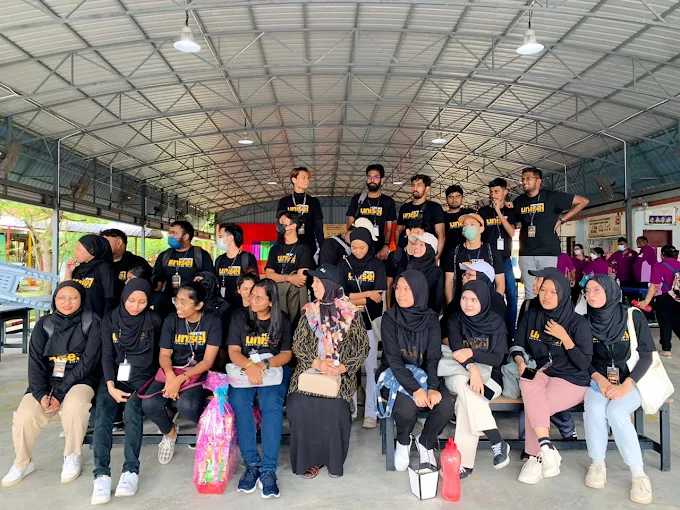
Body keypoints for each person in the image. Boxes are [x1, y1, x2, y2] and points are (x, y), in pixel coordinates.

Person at [2, 282, 101, 488]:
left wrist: (60, 393)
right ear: (54, 300)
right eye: (61, 298)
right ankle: (22, 462)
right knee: (25, 415)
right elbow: (35, 364)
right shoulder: (44, 325)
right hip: (48, 382)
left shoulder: (92, 322)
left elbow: (88, 363)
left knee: (74, 407)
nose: (67, 302)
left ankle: (72, 455)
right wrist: (41, 394)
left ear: (82, 299)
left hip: (80, 380)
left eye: (73, 298)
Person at [511, 268, 593, 484]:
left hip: (571, 378)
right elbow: (517, 344)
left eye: (553, 292)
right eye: (543, 290)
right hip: (540, 371)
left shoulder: (578, 323)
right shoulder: (532, 316)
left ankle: (534, 457)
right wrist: (520, 361)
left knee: (537, 405)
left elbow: (584, 363)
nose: (546, 296)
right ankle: (546, 448)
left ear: (564, 294)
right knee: (527, 378)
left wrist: (564, 337)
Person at [287, 264, 369, 479]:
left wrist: (342, 367)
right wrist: (317, 363)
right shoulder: (309, 312)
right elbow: (298, 345)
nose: (312, 285)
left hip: (339, 375)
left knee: (335, 407)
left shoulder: (351, 313)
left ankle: (332, 460)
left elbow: (362, 348)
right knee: (298, 404)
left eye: (317, 282)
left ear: (331, 285)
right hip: (309, 372)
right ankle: (309, 460)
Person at [583, 275, 655, 505]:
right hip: (598, 381)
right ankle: (597, 464)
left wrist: (626, 385)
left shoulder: (633, 316)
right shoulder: (584, 321)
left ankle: (639, 474)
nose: (590, 295)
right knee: (595, 410)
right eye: (587, 290)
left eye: (596, 290)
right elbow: (583, 359)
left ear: (611, 291)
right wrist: (601, 381)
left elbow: (646, 356)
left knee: (616, 412)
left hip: (631, 381)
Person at [91, 278, 162, 504]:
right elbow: (106, 355)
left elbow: (160, 355)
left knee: (132, 412)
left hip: (143, 376)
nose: (136, 306)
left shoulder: (154, 320)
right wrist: (110, 385)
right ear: (124, 297)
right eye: (131, 300)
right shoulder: (110, 319)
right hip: (114, 377)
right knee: (103, 414)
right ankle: (101, 475)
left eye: (142, 302)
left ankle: (130, 470)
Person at [376, 270, 454, 472]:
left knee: (445, 405)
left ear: (419, 291)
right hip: (395, 375)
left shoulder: (431, 319)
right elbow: (394, 360)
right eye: (398, 288)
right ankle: (403, 441)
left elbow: (433, 357)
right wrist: (415, 389)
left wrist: (432, 387)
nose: (400, 293)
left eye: (407, 289)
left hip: (425, 374)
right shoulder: (390, 318)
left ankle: (425, 441)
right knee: (406, 407)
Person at [140, 281, 221, 465]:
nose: (178, 305)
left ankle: (205, 429)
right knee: (149, 404)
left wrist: (180, 380)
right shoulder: (171, 320)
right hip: (172, 369)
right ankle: (169, 432)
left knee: (188, 405)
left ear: (198, 305)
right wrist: (170, 377)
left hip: (198, 371)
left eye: (184, 302)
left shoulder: (212, 321)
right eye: (176, 300)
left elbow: (207, 361)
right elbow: (164, 355)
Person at [227, 279, 293, 499]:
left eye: (258, 297)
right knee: (239, 402)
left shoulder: (281, 319)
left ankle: (268, 469)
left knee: (271, 405)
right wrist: (250, 367)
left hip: (272, 369)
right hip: (245, 369)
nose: (252, 300)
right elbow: (234, 350)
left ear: (271, 301)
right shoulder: (240, 316)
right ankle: (251, 464)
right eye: (251, 295)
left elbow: (286, 354)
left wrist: (263, 365)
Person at [443, 280, 510, 478]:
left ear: (483, 300)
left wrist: (472, 352)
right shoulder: (455, 320)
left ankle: (464, 464)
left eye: (474, 300)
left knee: (467, 401)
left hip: (491, 377)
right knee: (467, 387)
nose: (468, 303)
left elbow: (497, 358)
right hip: (458, 373)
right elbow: (457, 351)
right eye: (464, 298)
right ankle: (496, 439)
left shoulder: (496, 322)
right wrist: (472, 369)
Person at [513, 168, 589, 300]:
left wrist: (562, 220)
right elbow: (512, 221)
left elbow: (583, 201)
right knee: (530, 292)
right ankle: (531, 314)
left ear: (538, 182)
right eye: (523, 179)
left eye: (528, 179)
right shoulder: (519, 201)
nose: (524, 182)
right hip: (526, 252)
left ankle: (548, 313)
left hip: (548, 252)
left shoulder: (551, 196)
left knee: (548, 290)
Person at [340, 227, 387, 429]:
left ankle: (371, 413)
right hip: (348, 324)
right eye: (354, 247)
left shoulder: (377, 265)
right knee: (349, 367)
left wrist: (355, 298)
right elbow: (340, 296)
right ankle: (350, 410)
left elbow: (379, 295)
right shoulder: (344, 264)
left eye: (362, 247)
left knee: (370, 367)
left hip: (369, 323)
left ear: (369, 245)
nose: (358, 251)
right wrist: (367, 295)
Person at [479, 178, 518, 334]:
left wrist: (499, 212)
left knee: (512, 296)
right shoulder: (483, 212)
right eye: (491, 192)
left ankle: (511, 332)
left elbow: (511, 232)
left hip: (505, 259)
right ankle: (491, 329)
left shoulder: (510, 211)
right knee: (489, 295)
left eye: (497, 191)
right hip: (487, 260)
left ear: (505, 192)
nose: (493, 195)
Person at [444, 213, 505, 307]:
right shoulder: (454, 252)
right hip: (462, 304)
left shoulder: (492, 252)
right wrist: (450, 307)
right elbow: (449, 283)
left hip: (486, 304)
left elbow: (500, 283)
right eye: (465, 225)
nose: (468, 227)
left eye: (472, 224)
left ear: (481, 229)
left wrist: (495, 305)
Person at [265, 211, 312, 320]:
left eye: (283, 222)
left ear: (293, 226)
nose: (279, 225)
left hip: (294, 300)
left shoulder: (303, 249)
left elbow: (300, 279)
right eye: (279, 222)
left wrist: (278, 278)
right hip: (276, 298)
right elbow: (268, 275)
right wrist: (289, 278)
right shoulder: (275, 249)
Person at [346, 163, 398, 261]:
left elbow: (389, 229)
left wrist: (386, 246)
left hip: (379, 248)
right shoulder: (357, 199)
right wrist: (352, 243)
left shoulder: (388, 201)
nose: (372, 180)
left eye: (376, 177)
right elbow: (350, 223)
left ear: (382, 180)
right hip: (359, 246)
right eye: (369, 177)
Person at [153, 221, 214, 299]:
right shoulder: (165, 255)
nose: (170, 236)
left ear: (186, 237)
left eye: (174, 233)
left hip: (191, 301)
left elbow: (209, 278)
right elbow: (158, 279)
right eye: (169, 233)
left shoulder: (201, 255)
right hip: (168, 301)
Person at [638, 245, 680, 357]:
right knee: (678, 321)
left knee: (665, 322)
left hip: (664, 298)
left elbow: (654, 285)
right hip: (678, 297)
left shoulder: (660, 265)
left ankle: (666, 349)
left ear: (662, 255)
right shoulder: (679, 264)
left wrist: (646, 301)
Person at [387, 231, 443, 313]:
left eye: (421, 245)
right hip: (402, 315)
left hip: (424, 317)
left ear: (430, 249)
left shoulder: (435, 272)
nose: (416, 247)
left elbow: (437, 301)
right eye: (415, 243)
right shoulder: (405, 265)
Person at [395, 174, 446, 262]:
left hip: (425, 255)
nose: (415, 188)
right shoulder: (405, 208)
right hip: (407, 254)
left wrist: (436, 258)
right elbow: (398, 231)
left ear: (427, 189)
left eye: (419, 185)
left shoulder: (434, 208)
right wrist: (398, 251)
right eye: (413, 185)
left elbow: (441, 235)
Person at [276, 167, 324, 257]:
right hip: (288, 245)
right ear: (294, 180)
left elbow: (319, 228)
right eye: (304, 178)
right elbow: (281, 227)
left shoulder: (313, 201)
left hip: (309, 245)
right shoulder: (284, 201)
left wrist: (323, 248)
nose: (307, 181)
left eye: (308, 178)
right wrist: (278, 247)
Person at [65, 234, 117, 317]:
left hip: (95, 320)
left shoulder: (104, 269)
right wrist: (68, 272)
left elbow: (110, 299)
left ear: (92, 250)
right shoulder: (78, 269)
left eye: (78, 249)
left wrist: (106, 322)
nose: (75, 253)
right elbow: (65, 292)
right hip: (75, 318)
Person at [214, 223, 259, 308]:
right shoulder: (219, 260)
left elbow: (255, 284)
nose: (218, 239)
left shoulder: (247, 258)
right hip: (223, 308)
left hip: (243, 307)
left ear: (230, 238)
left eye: (221, 236)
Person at [194, 271, 231, 371]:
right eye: (197, 281)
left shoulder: (224, 306)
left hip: (217, 347)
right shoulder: (191, 304)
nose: (201, 284)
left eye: (204, 282)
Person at [101, 228, 152, 302]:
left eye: (105, 242)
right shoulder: (100, 263)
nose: (102, 246)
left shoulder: (137, 262)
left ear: (119, 243)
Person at [443, 184, 475, 260]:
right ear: (446, 200)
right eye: (451, 197)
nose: (454, 200)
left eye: (457, 196)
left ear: (462, 198)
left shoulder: (469, 214)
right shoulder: (441, 216)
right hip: (447, 256)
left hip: (467, 255)